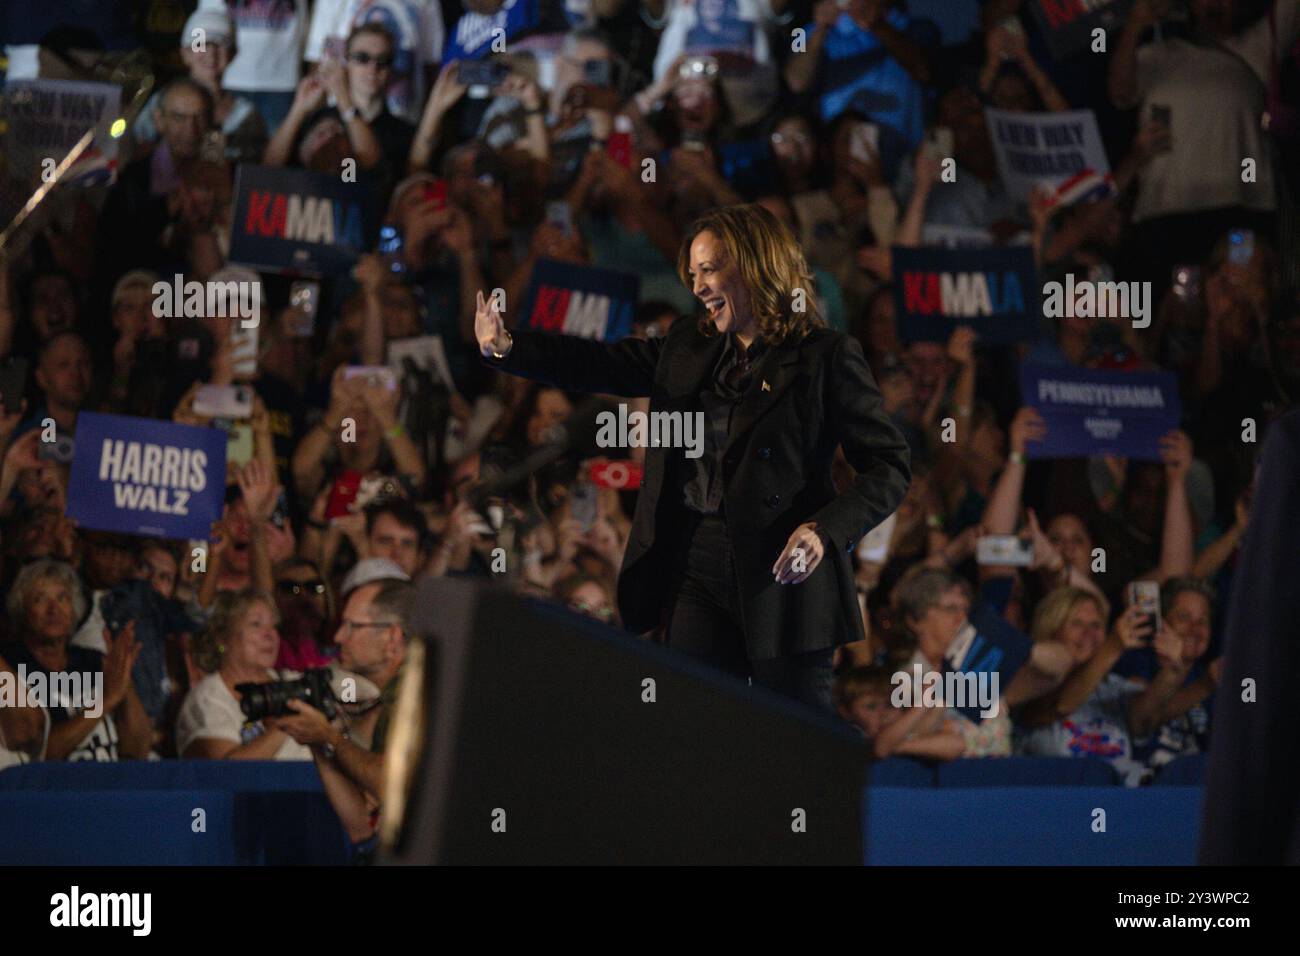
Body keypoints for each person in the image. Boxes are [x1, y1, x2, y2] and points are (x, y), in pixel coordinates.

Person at [475, 202, 912, 708]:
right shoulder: (689, 344)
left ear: (754, 265)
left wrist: (825, 530)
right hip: (695, 565)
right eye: (693, 273)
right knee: (695, 724)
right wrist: (510, 347)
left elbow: (889, 465)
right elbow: (602, 363)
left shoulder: (826, 356)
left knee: (792, 741)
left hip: (785, 570)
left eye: (710, 270)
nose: (698, 286)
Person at [0, 560, 150, 762]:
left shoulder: (94, 661)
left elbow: (137, 751)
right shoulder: (10, 665)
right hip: (53, 789)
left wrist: (124, 683)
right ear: (21, 610)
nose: (54, 609)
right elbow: (40, 752)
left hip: (106, 785)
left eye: (62, 598)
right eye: (39, 599)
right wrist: (107, 701)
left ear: (74, 609)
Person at [175, 589, 312, 760]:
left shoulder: (297, 682)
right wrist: (287, 724)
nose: (270, 635)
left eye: (274, 626)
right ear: (222, 638)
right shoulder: (208, 698)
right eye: (256, 624)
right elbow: (231, 773)